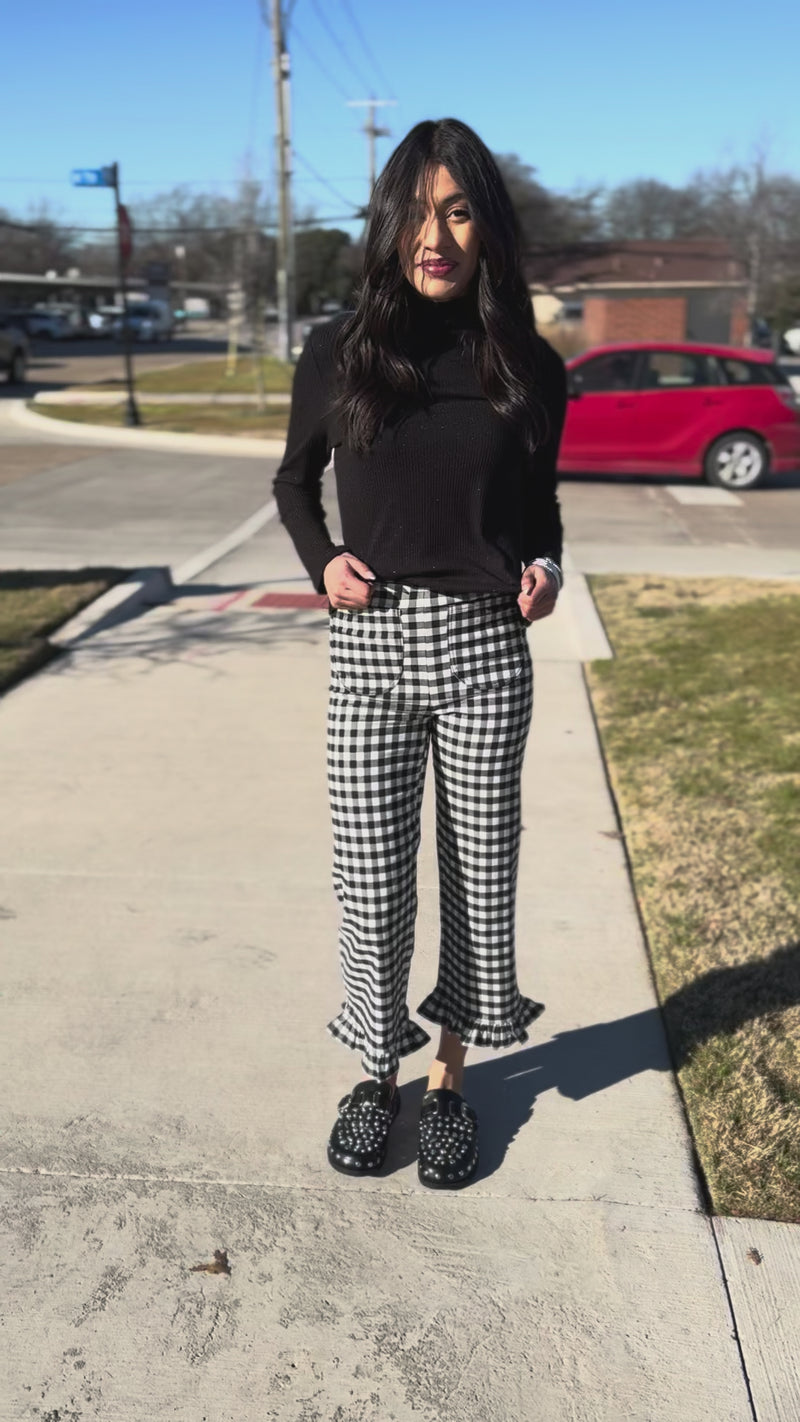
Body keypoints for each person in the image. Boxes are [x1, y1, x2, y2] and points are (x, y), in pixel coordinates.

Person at [273, 117, 568, 1190]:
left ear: (485, 226)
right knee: (372, 882)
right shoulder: (341, 350)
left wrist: (542, 566)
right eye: (416, 211)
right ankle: (374, 1073)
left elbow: (538, 513)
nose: (433, 236)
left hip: (489, 647)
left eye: (456, 211)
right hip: (373, 647)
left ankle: (449, 1077)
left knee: (477, 878)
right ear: (388, 222)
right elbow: (291, 481)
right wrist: (321, 562)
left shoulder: (526, 364)